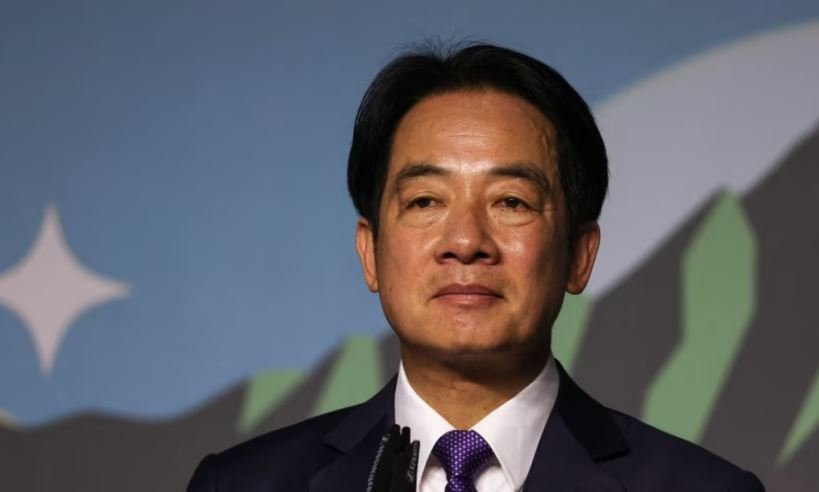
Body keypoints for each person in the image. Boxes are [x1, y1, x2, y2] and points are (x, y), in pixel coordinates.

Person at [186, 42, 765, 491]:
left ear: (580, 255)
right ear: (370, 252)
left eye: (511, 202)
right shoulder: (242, 485)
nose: (465, 242)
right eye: (425, 202)